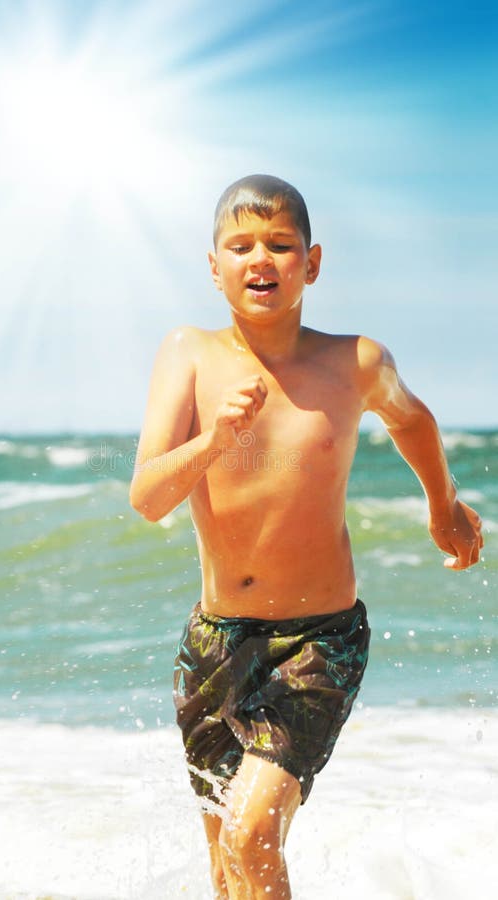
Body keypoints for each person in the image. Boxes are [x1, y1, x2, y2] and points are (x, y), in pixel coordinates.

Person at [129, 174, 483, 899]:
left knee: (251, 834)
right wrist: (216, 440)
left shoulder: (355, 363)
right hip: (216, 645)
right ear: (214, 264)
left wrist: (443, 504)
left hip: (321, 641)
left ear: (311, 263)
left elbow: (413, 420)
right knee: (229, 869)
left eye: (280, 245)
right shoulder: (188, 354)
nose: (261, 258)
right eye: (242, 244)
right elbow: (147, 497)